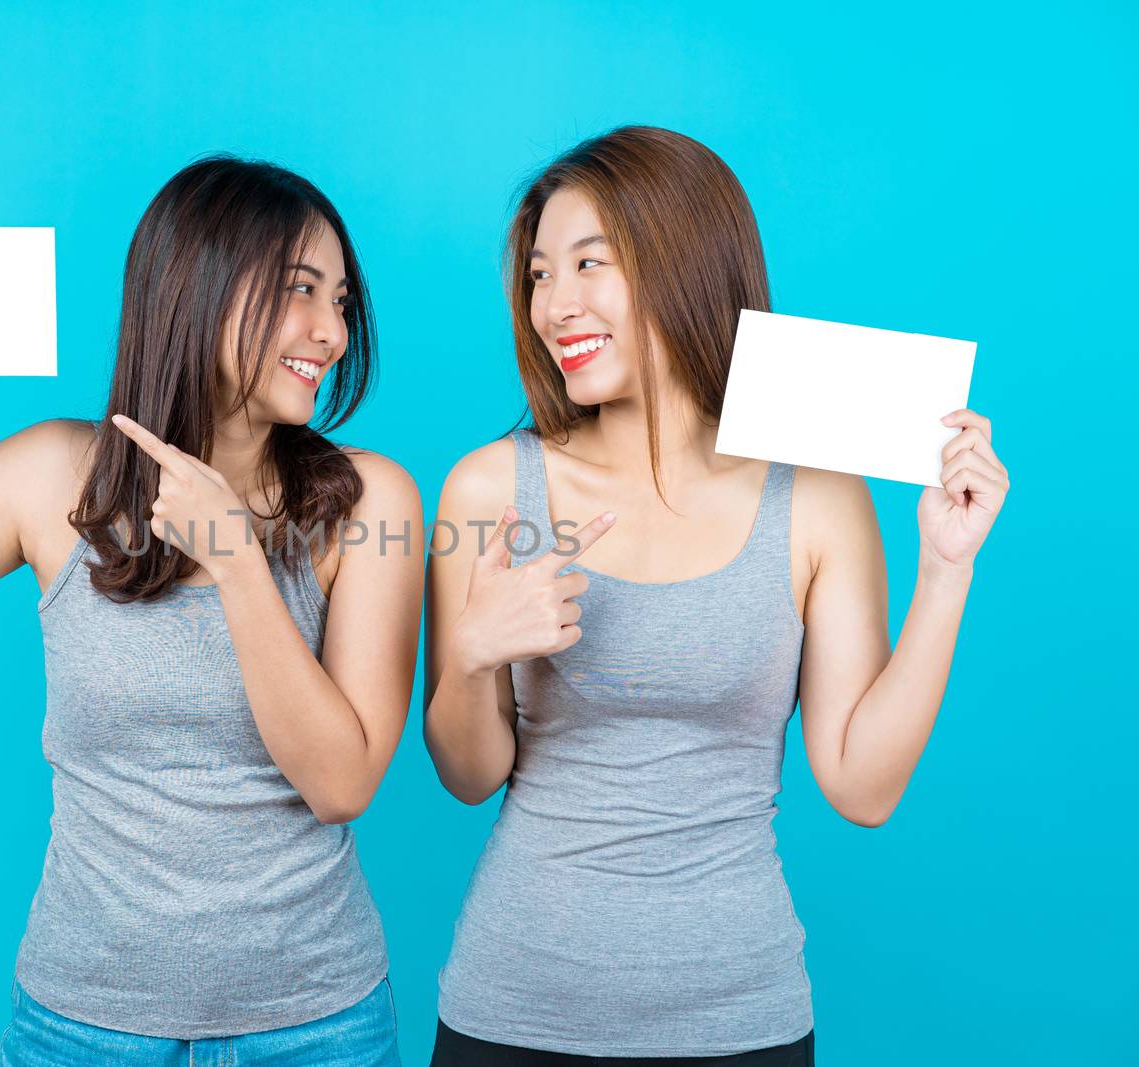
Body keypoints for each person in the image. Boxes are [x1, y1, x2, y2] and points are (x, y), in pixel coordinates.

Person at [0, 156, 424, 1066]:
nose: (332, 332)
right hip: (83, 1026)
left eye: (342, 301)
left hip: (317, 1024)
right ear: (196, 288)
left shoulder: (368, 501)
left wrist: (237, 559)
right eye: (299, 291)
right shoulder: (48, 477)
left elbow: (340, 783)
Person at [421, 126, 1010, 1065]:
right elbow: (466, 773)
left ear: (686, 264)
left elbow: (862, 786)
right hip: (514, 1009)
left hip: (742, 1019)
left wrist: (947, 569)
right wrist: (472, 656)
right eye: (539, 274)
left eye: (589, 264)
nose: (554, 304)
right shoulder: (491, 488)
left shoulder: (817, 496)